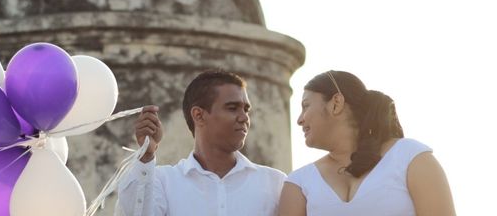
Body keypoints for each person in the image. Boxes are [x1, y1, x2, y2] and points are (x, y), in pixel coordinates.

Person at [278, 70, 456, 216]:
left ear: (336, 103)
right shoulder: (298, 183)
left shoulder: (411, 158)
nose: (299, 120)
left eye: (306, 105)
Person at [116, 69, 286, 215]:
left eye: (246, 109)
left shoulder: (275, 184)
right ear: (198, 115)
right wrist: (146, 156)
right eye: (232, 108)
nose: (244, 118)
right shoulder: (164, 181)